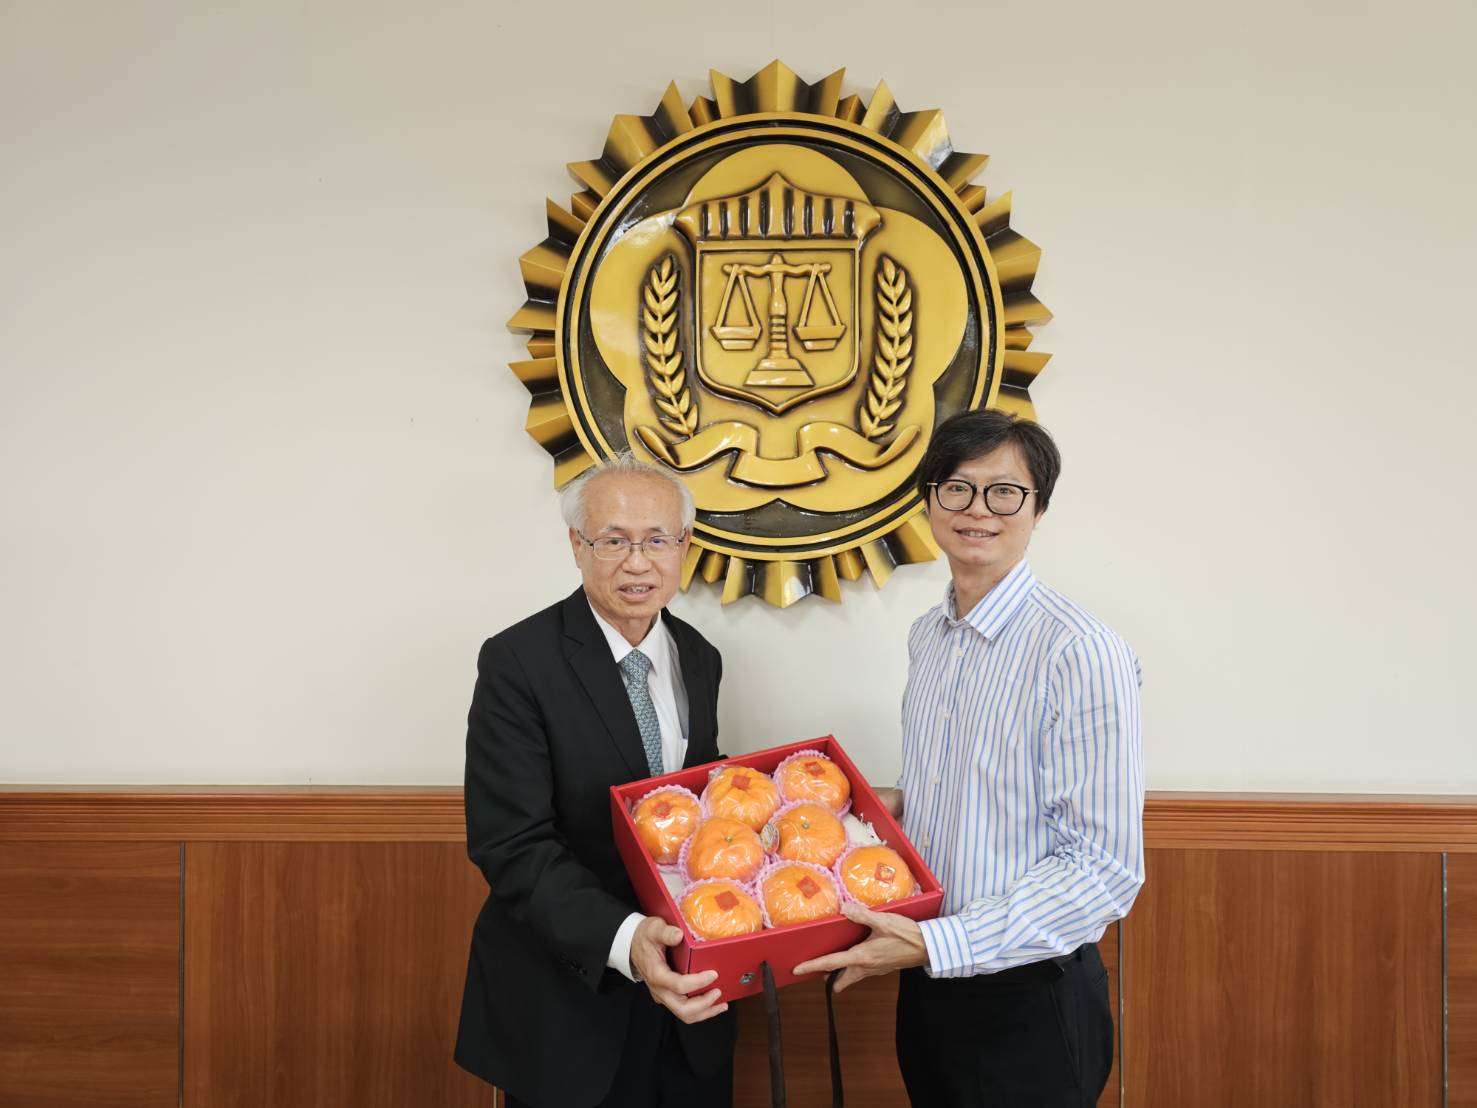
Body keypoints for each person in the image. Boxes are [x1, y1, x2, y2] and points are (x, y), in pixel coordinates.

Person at [795, 409, 1144, 1108]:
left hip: (1027, 999)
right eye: (956, 487)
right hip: (926, 978)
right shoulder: (930, 635)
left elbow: (1103, 869)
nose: (977, 509)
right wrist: (884, 808)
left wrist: (941, 945)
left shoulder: (1079, 650)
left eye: (1004, 491)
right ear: (928, 501)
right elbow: (967, 790)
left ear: (1037, 509)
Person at [455, 454, 735, 1108]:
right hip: (570, 998)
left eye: (657, 540)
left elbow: (693, 812)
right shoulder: (517, 661)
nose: (637, 563)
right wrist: (628, 940)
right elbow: (511, 843)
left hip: (689, 1002)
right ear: (577, 546)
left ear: (685, 545)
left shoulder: (700, 657)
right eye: (613, 541)